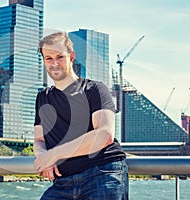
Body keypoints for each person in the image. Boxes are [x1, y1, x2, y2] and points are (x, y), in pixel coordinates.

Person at [33, 31, 128, 200]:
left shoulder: (95, 89)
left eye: (60, 57)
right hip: (62, 182)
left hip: (102, 172)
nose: (54, 63)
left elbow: (104, 135)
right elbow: (39, 140)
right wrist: (43, 157)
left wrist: (54, 154)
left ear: (71, 56)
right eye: (48, 58)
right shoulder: (43, 97)